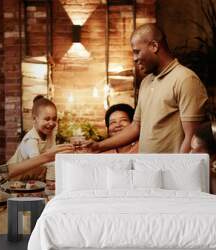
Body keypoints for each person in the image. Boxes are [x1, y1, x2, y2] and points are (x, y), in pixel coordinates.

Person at [86, 23, 208, 153]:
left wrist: (178, 170)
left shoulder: (185, 79)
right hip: (146, 169)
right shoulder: (146, 82)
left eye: (137, 52)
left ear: (154, 46)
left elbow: (192, 138)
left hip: (171, 171)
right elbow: (136, 127)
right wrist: (98, 146)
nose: (134, 59)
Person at [8, 95, 57, 183]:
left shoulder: (50, 133)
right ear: (35, 119)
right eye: (47, 119)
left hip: (29, 177)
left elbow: (53, 155)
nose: (51, 123)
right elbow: (38, 162)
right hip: (14, 178)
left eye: (54, 119)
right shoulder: (31, 140)